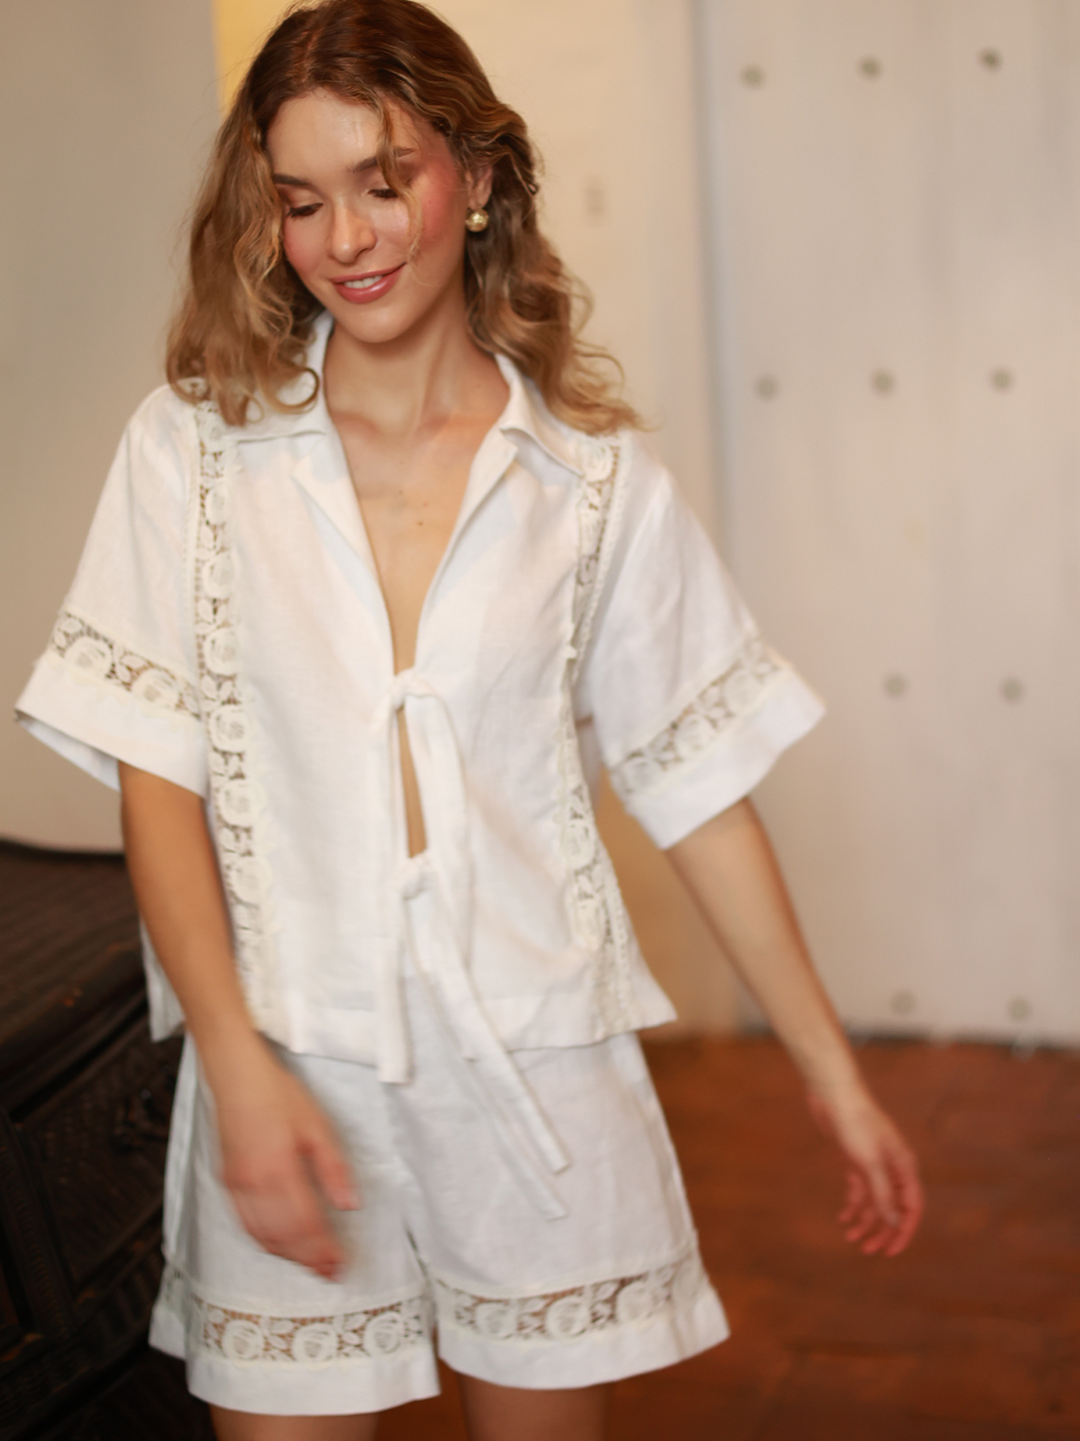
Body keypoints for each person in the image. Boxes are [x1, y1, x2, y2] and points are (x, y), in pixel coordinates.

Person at [15, 2, 923, 1437]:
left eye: (386, 182)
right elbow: (159, 783)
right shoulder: (193, 450)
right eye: (302, 200)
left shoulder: (593, 485)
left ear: (479, 175)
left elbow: (697, 786)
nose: (348, 238)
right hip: (290, 1073)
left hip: (537, 1075)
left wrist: (833, 1074)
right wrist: (236, 1065)